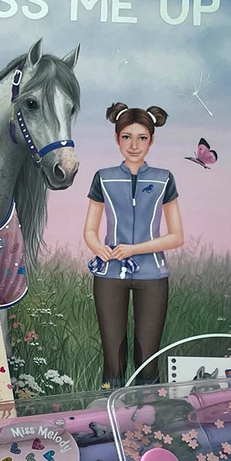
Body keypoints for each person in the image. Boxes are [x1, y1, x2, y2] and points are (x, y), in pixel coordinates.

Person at [82, 102, 184, 387]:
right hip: (109, 275)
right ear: (117, 139)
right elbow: (90, 229)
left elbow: (177, 236)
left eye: (142, 138)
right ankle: (110, 404)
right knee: (112, 356)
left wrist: (134, 249)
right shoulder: (103, 177)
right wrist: (98, 248)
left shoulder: (164, 179)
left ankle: (147, 407)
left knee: (148, 356)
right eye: (127, 137)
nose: (134, 145)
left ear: (152, 140)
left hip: (153, 275)